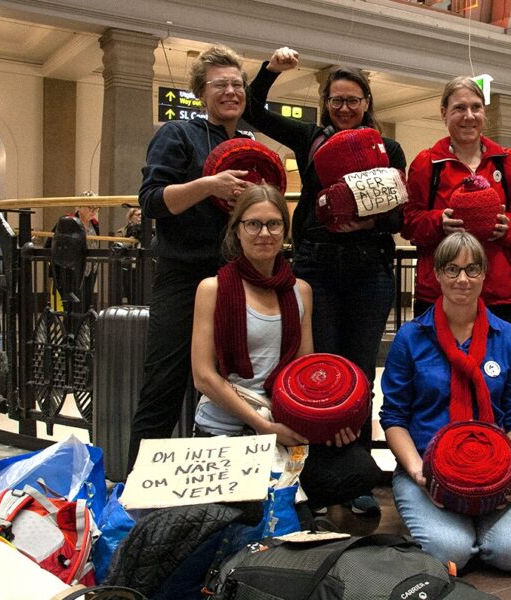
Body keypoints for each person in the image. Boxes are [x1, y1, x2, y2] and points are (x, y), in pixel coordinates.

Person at [244, 47, 405, 515]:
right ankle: (320, 474)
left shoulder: (387, 147)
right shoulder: (310, 138)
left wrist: (370, 224)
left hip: (369, 270)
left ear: (367, 101)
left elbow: (398, 212)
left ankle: (354, 476)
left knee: (359, 374)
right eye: (336, 100)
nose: (344, 108)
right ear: (325, 103)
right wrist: (269, 72)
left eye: (353, 100)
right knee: (319, 373)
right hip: (317, 270)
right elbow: (256, 111)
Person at [191, 184, 380, 516]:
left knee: (360, 470)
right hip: (226, 428)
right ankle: (295, 510)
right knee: (254, 512)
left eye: (273, 224)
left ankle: (301, 506)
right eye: (253, 224)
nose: (264, 233)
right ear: (237, 231)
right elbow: (204, 377)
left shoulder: (300, 292)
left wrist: (328, 424)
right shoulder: (213, 289)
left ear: (284, 231)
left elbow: (303, 372)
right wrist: (263, 428)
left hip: (283, 421)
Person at [128, 44, 256, 471]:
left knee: (235, 384)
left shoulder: (247, 142)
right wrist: (208, 185)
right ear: (201, 93)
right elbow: (151, 201)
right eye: (221, 85)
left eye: (238, 84)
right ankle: (137, 492)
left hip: (234, 278)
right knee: (164, 384)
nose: (231, 92)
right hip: (184, 276)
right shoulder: (176, 134)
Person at [380, 232, 511, 572]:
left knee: (510, 553)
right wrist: (419, 472)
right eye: (452, 269)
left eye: (471, 269)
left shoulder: (506, 337)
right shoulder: (411, 337)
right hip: (426, 466)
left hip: (492, 469)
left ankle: (475, 523)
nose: (462, 279)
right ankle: (449, 525)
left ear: (484, 274)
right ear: (436, 274)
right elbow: (393, 417)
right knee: (454, 553)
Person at [403, 77, 511, 325]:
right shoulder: (427, 164)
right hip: (440, 291)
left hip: (496, 291)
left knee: (495, 362)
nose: (469, 116)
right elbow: (408, 222)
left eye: (476, 107)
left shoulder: (506, 161)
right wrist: (439, 222)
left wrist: (508, 227)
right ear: (444, 113)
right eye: (459, 108)